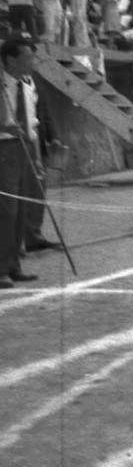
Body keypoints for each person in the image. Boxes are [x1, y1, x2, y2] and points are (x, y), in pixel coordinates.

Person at [0, 36, 44, 287]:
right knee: (6, 211)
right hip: (4, 148)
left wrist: (37, 156)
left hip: (25, 148)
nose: (31, 62)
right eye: (27, 57)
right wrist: (6, 127)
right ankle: (1, 267)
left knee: (22, 210)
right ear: (10, 59)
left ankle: (14, 263)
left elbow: (33, 123)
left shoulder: (27, 83)